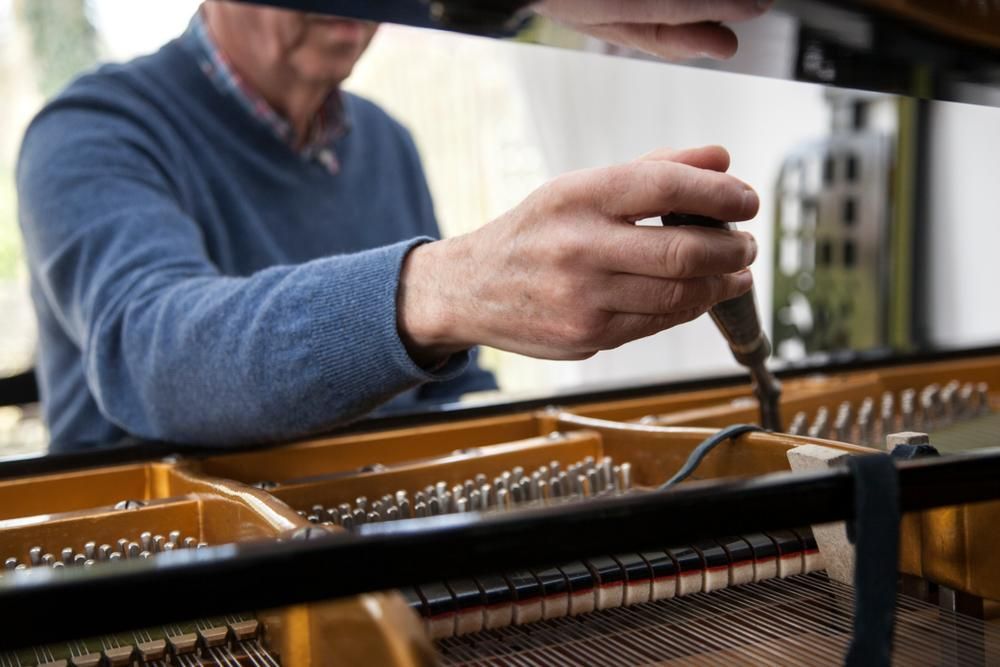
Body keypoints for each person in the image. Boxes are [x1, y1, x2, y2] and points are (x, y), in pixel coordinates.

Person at [17, 0, 767, 452]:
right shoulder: (90, 131)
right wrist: (446, 287)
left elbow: (447, 383)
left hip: (362, 550)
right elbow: (153, 354)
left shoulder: (383, 139)